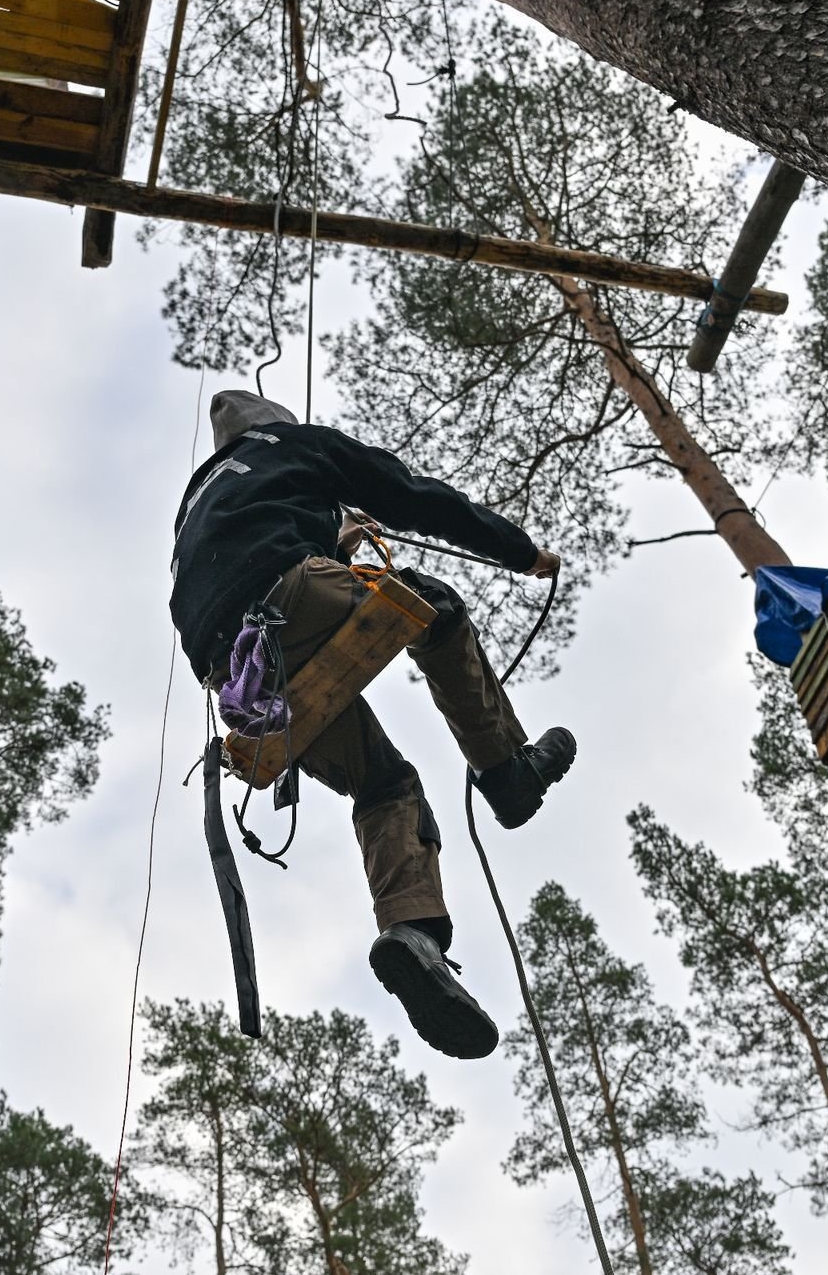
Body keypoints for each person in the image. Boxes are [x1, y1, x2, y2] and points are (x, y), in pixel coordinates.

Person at [171, 390, 576, 1059]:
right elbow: (412, 493)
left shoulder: (197, 506)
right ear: (278, 428)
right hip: (286, 599)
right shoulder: (290, 448)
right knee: (432, 605)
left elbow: (241, 549)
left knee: (384, 782)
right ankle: (507, 772)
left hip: (239, 678)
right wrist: (519, 550)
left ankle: (413, 934)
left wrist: (330, 533)